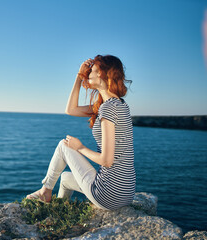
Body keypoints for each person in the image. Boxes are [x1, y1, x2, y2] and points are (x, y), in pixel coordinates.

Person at [26, 55, 136, 210]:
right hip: (125, 193)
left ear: (101, 73)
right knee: (64, 178)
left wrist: (80, 147)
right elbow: (70, 110)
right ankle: (58, 209)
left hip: (108, 195)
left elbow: (107, 161)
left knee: (64, 145)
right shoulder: (118, 105)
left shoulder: (108, 108)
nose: (88, 73)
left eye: (92, 70)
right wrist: (78, 77)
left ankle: (45, 191)